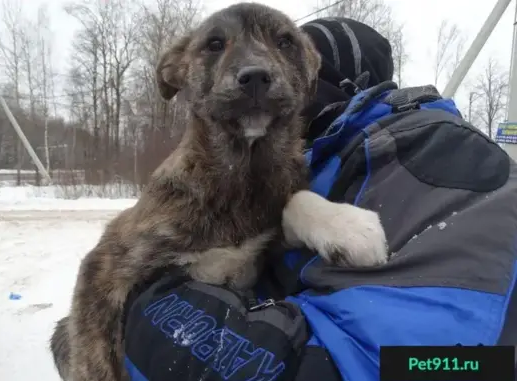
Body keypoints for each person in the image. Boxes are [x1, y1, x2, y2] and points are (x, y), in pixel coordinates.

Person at [121, 17, 517, 381]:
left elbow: (458, 362)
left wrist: (155, 316)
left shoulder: (442, 152)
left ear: (325, 79)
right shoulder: (308, 162)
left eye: (285, 54)